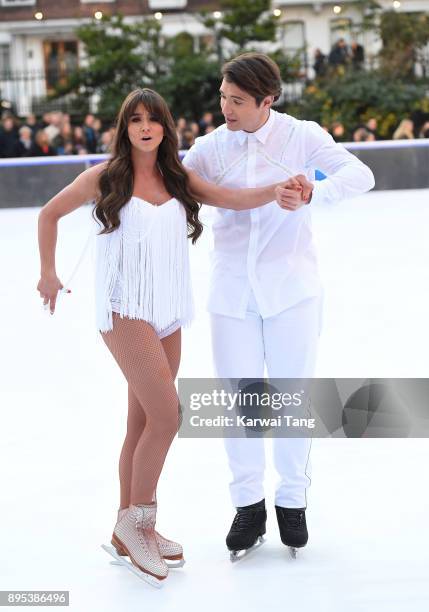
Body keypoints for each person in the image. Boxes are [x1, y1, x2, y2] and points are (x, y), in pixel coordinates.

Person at [36, 88, 298, 584]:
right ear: (125, 127)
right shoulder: (105, 177)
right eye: (134, 119)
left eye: (152, 118)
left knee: (141, 423)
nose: (144, 127)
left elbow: (229, 198)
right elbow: (48, 214)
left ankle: (125, 529)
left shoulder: (177, 178)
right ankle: (140, 525)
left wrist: (276, 190)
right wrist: (48, 273)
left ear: (164, 126)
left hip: (169, 313)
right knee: (168, 416)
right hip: (123, 310)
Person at [183, 52, 375, 559]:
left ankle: (292, 501)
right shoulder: (209, 147)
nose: (227, 108)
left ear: (267, 101)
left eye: (239, 101)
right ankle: (248, 506)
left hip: (292, 290)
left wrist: (315, 192)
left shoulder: (301, 135)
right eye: (223, 97)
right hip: (230, 294)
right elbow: (174, 186)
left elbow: (361, 176)